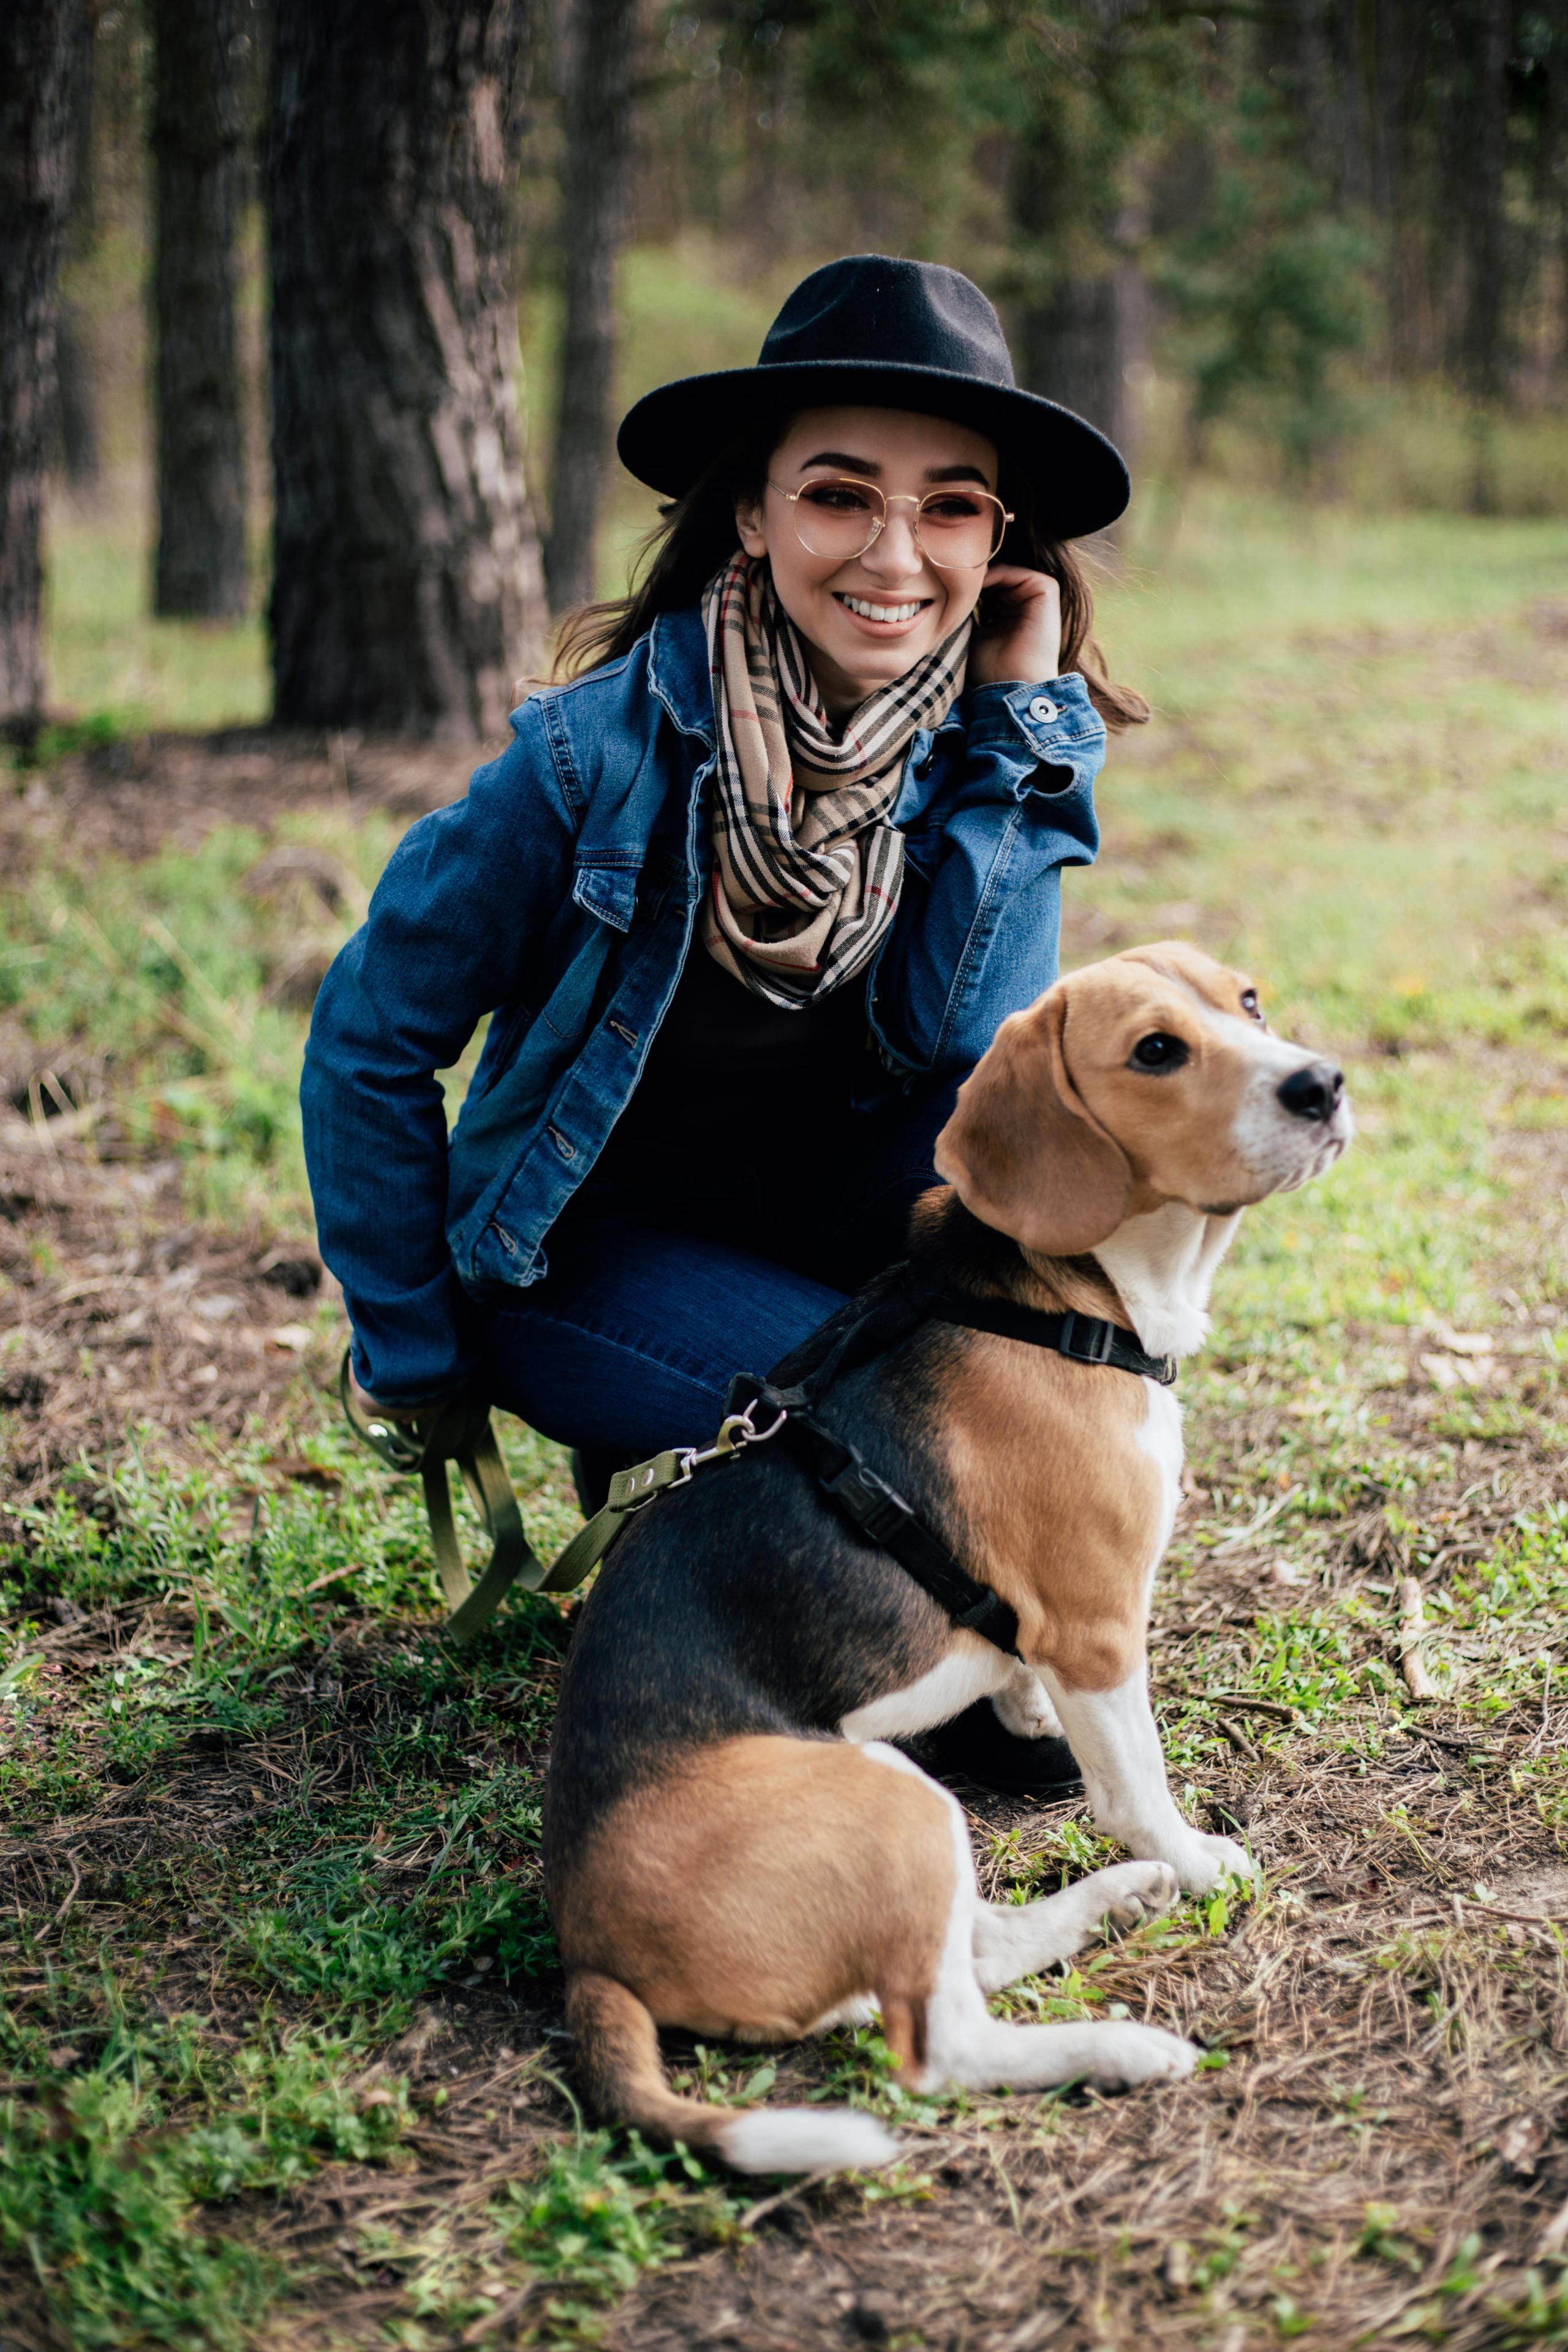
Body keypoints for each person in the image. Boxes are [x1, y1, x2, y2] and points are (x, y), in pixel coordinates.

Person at [301, 254, 1148, 1791]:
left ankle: (864, 1543)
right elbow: (368, 1040)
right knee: (906, 1440)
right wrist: (413, 1352)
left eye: (951, 506)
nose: (898, 553)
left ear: (997, 540)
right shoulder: (585, 761)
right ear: (750, 515)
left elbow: (959, 1036)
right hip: (582, 1258)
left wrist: (1022, 740)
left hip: (823, 1213)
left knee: (1034, 1321)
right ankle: (800, 1524)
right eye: (840, 495)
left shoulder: (974, 738)